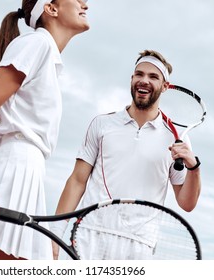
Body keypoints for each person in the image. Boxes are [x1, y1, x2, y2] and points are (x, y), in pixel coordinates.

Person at [0, 0, 90, 260]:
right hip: (14, 175)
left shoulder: (46, 54)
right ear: (50, 9)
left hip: (27, 175)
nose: (84, 2)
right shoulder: (37, 44)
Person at [51, 50, 202, 260]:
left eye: (153, 77)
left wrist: (194, 167)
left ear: (165, 86)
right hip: (89, 234)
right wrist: (55, 233)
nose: (144, 80)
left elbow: (187, 203)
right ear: (132, 79)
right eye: (139, 74)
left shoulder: (177, 140)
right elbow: (77, 180)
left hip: (139, 244)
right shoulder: (101, 124)